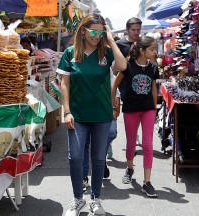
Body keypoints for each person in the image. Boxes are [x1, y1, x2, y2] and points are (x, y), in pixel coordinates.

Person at [57, 13, 126, 216]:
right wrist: (67, 111)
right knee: (75, 158)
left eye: (100, 32)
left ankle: (95, 199)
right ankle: (78, 199)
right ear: (83, 31)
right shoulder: (70, 53)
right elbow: (64, 84)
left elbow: (122, 67)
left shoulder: (106, 52)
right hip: (77, 116)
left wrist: (111, 39)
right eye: (93, 31)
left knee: (98, 159)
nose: (97, 36)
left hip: (102, 115)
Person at [112, 36, 159, 198]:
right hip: (131, 109)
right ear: (142, 50)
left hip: (148, 109)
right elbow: (114, 85)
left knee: (147, 144)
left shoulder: (153, 67)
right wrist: (113, 104)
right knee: (131, 143)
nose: (155, 52)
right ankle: (130, 168)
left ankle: (147, 182)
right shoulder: (128, 66)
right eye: (152, 49)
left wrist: (155, 109)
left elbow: (154, 90)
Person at [82, 70, 121, 191]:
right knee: (85, 143)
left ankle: (101, 158)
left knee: (111, 133)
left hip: (105, 111)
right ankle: (84, 176)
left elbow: (116, 90)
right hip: (86, 110)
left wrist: (115, 108)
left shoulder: (106, 67)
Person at [116, 17, 142, 146]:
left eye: (138, 30)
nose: (136, 32)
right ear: (127, 30)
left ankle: (134, 134)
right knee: (129, 110)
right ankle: (131, 134)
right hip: (124, 82)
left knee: (138, 109)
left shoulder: (143, 43)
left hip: (141, 82)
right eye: (133, 30)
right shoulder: (120, 44)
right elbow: (115, 64)